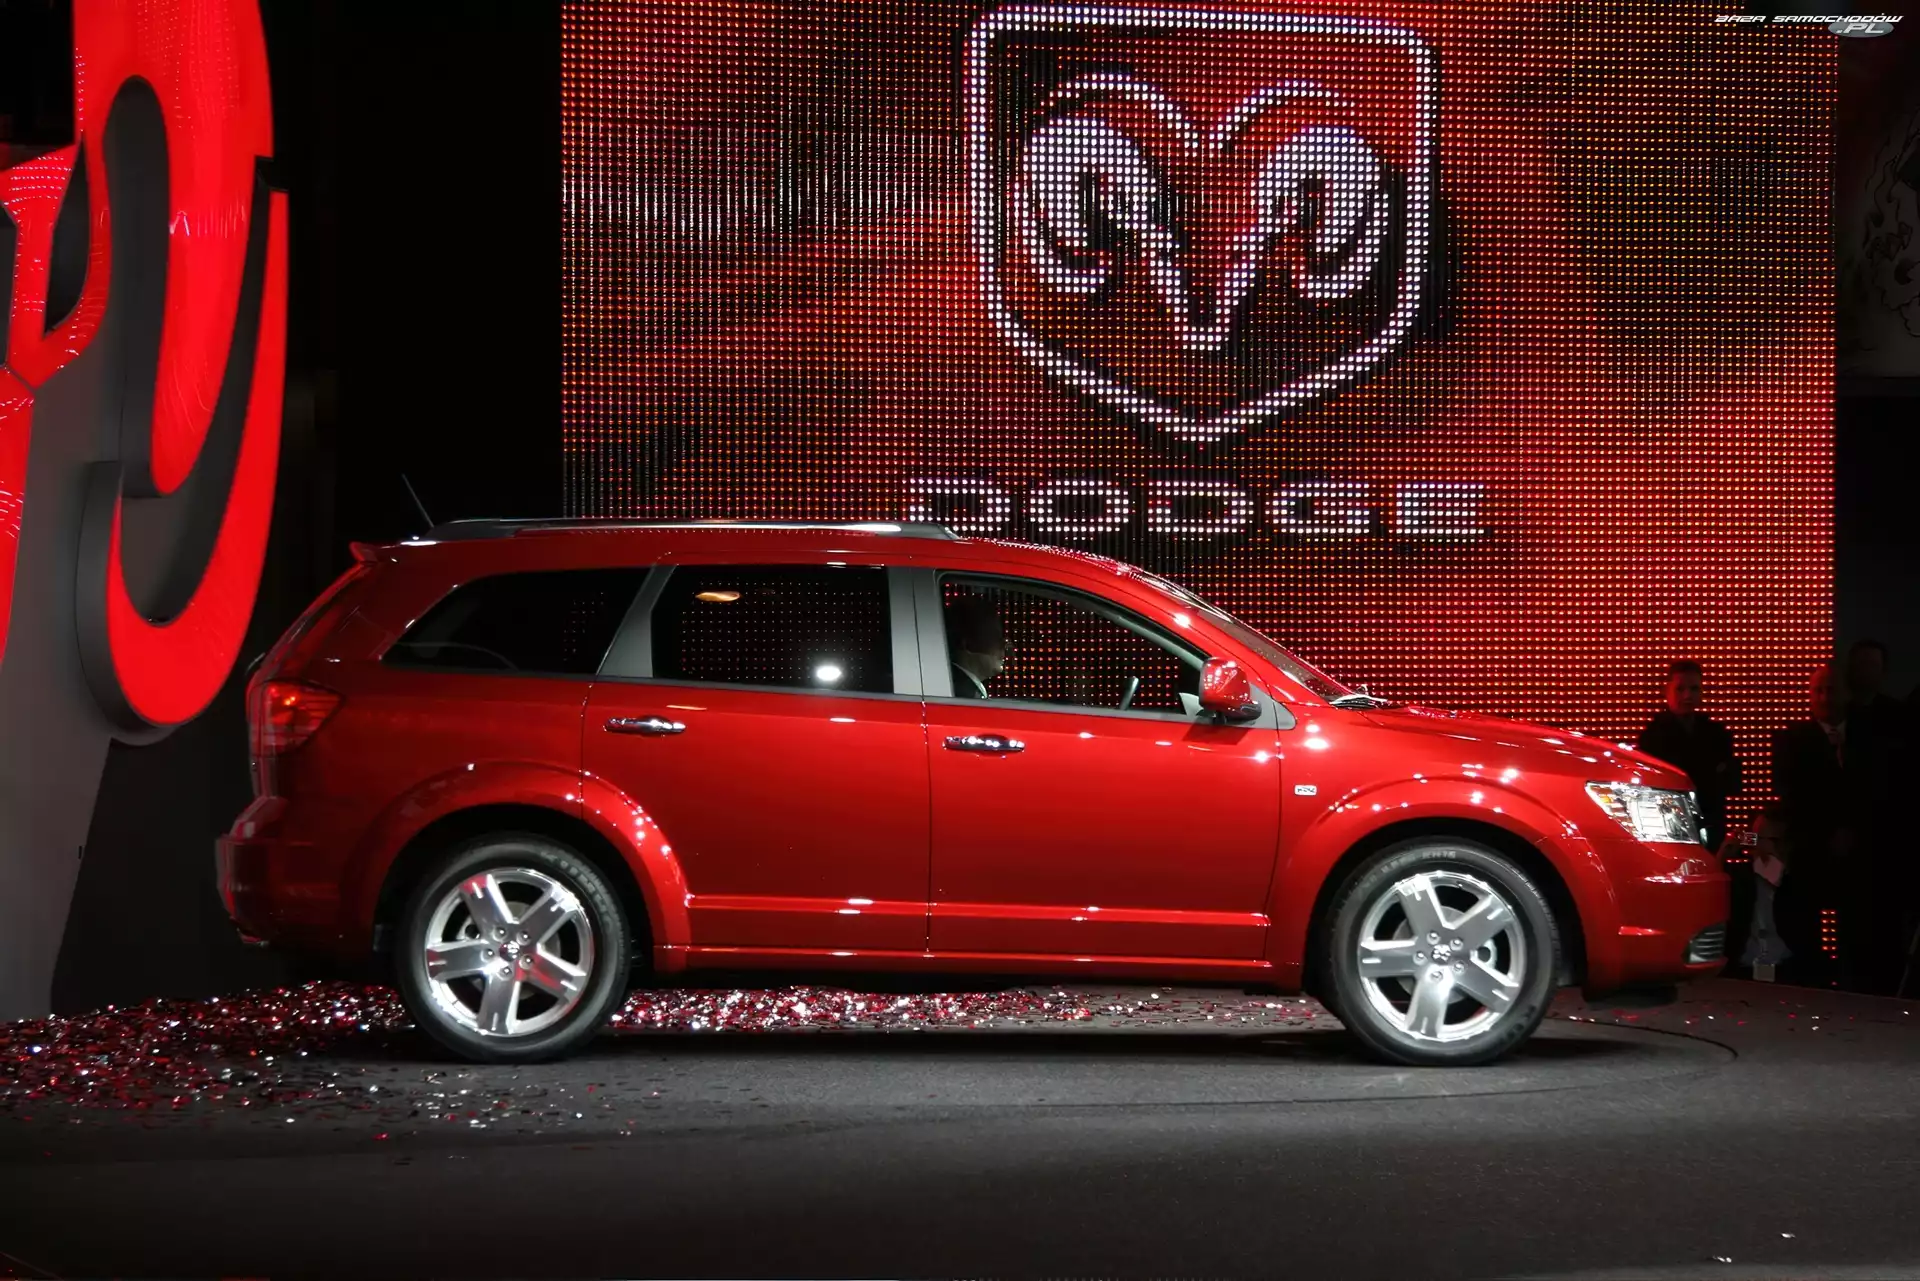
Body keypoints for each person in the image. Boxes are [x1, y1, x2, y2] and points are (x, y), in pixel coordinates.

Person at [1840, 640, 1913, 991]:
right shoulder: (1842, 716)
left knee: (1888, 920)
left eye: (1872, 665)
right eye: (1860, 664)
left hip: (1891, 837)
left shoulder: (1900, 718)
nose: (1865, 672)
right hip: (1849, 839)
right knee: (1853, 919)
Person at [1772, 663, 1850, 986]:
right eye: (1818, 690)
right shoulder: (1793, 740)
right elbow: (1792, 792)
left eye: (1830, 689)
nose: (1824, 697)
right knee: (1805, 920)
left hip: (1861, 849)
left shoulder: (1869, 737)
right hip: (1809, 847)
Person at [1636, 660, 1742, 852]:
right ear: (1666, 691)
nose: (1687, 696)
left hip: (1711, 825)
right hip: (1668, 828)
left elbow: (1733, 782)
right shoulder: (1652, 737)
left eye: (1694, 689)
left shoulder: (1716, 734)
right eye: (1680, 689)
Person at [945, 594, 1007, 698]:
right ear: (968, 644)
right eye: (995, 636)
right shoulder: (961, 694)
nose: (1004, 644)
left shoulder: (962, 688)